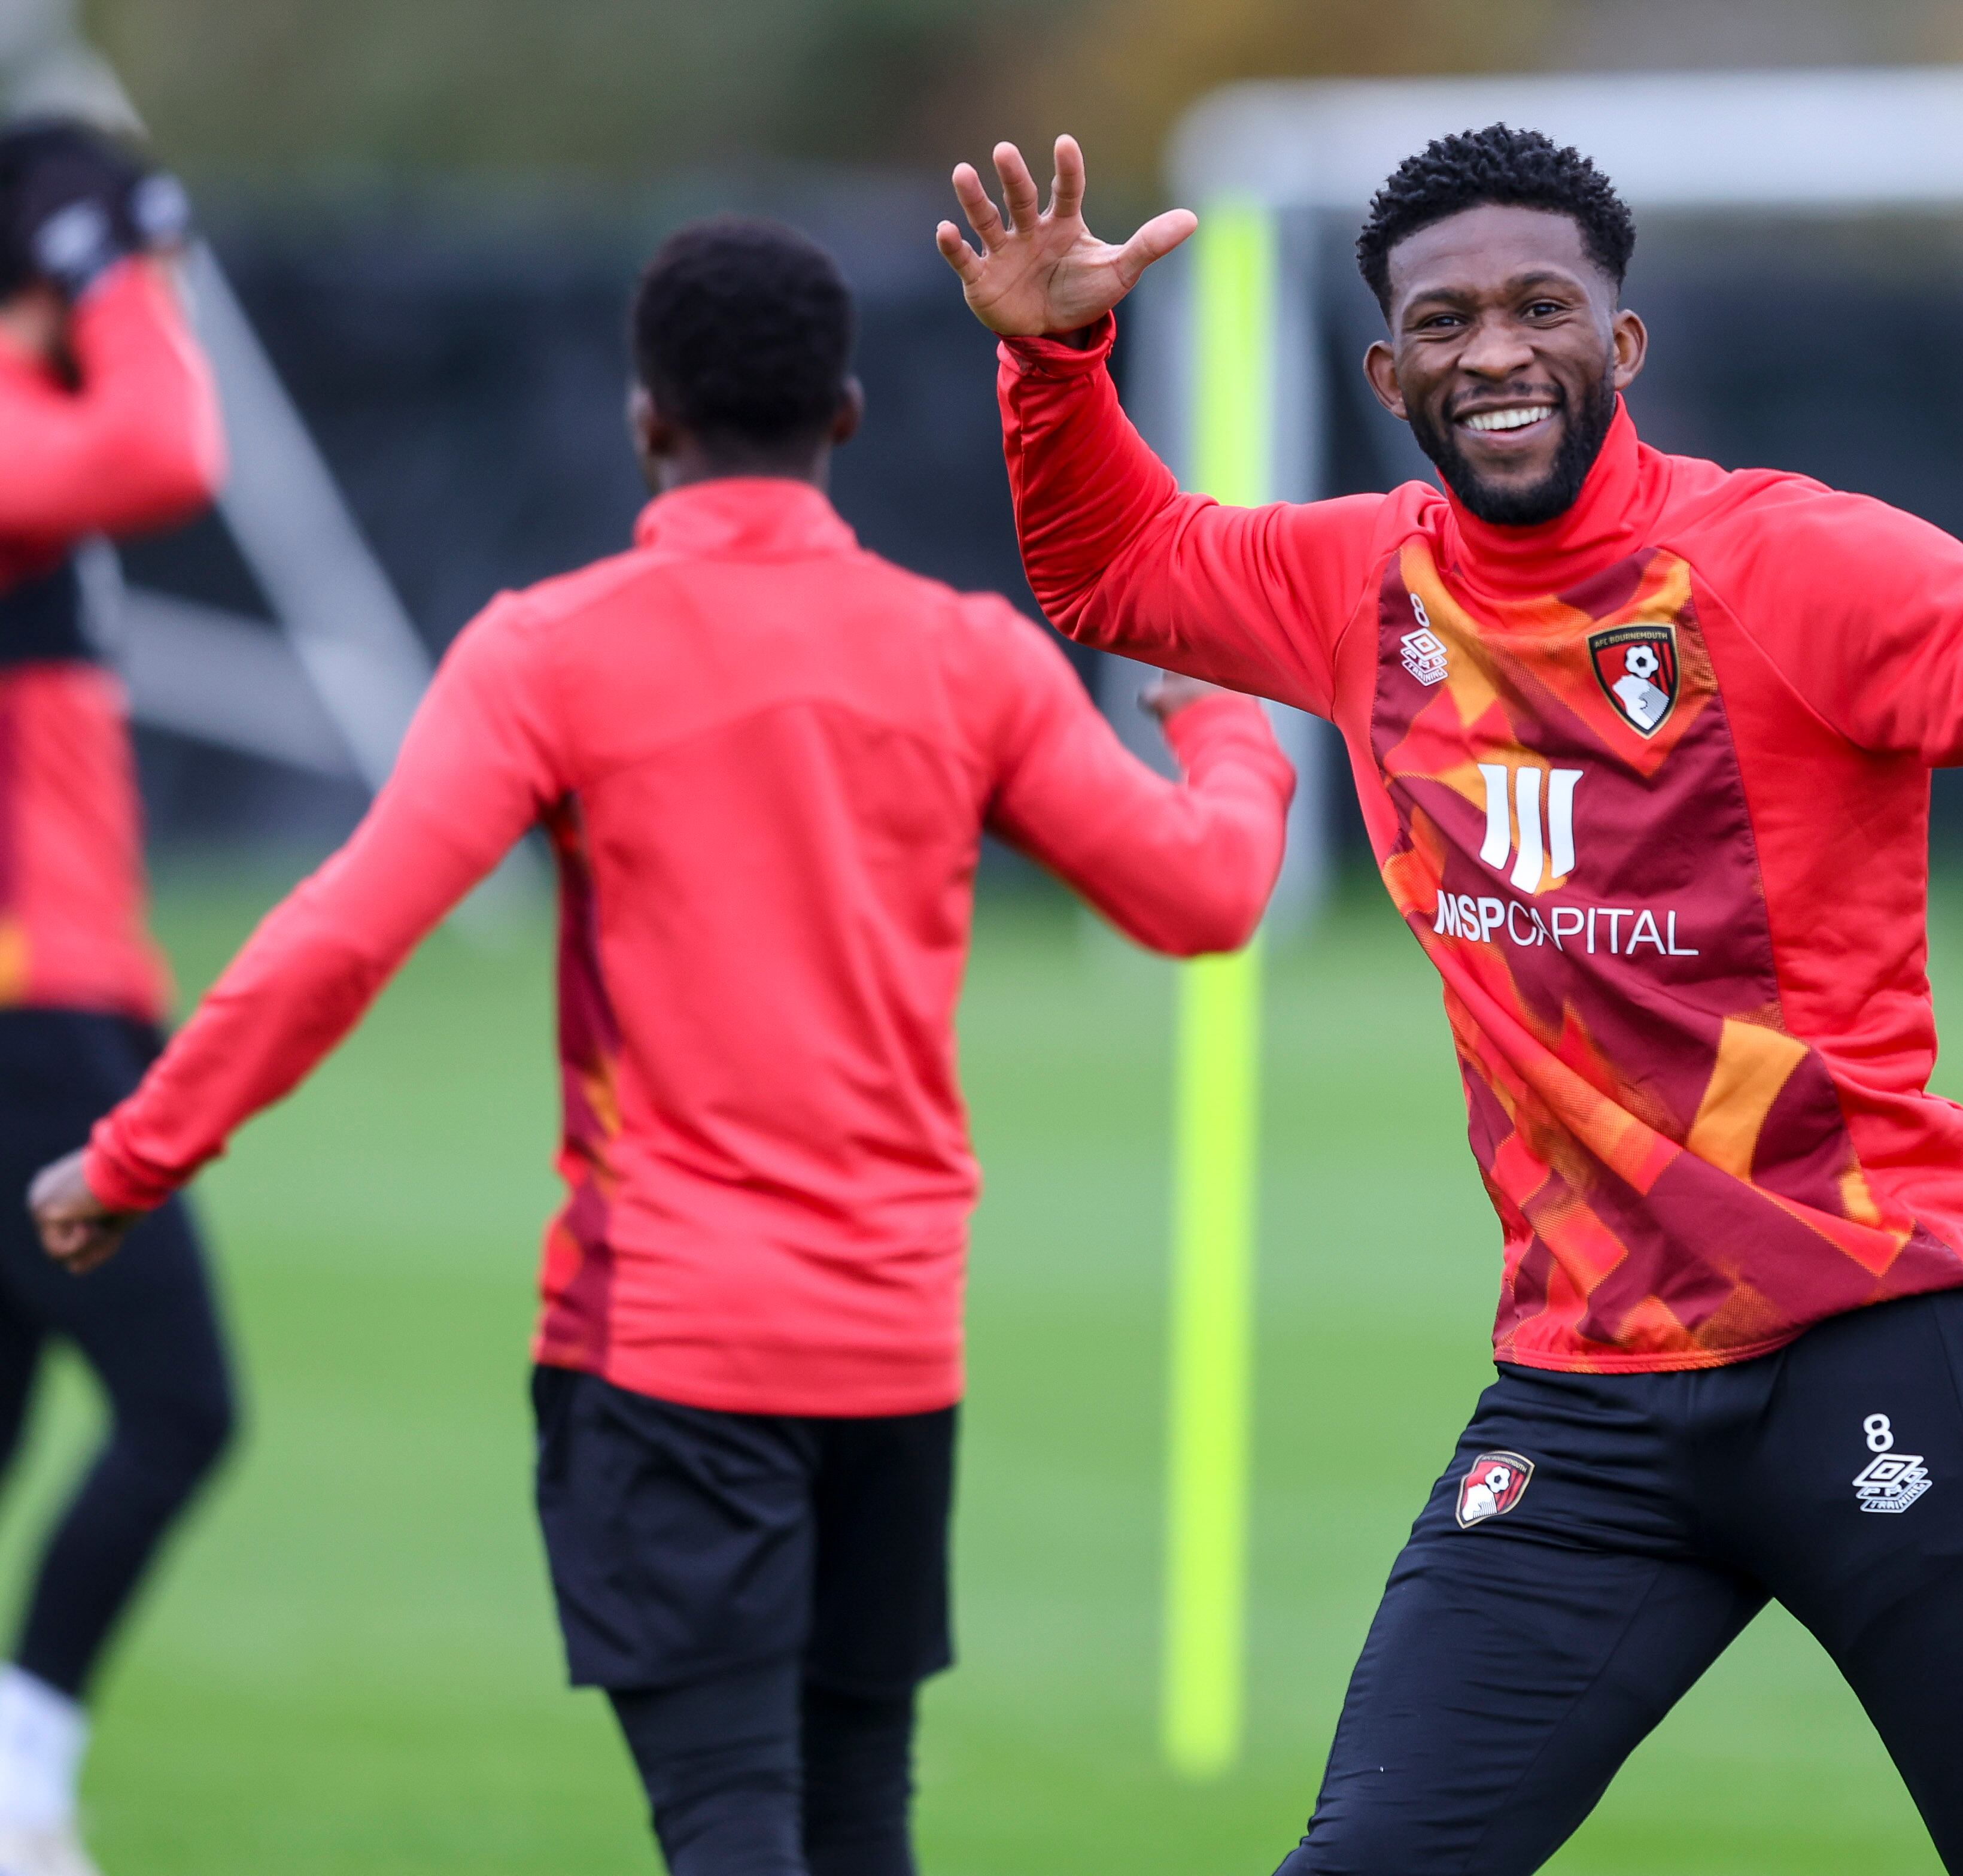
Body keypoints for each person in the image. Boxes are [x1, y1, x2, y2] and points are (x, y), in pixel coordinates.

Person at [937, 126, 1963, 1875]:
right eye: (1449, 319)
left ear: (1621, 347)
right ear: (1386, 367)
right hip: (1583, 1398)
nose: (1497, 350)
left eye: (1542, 306)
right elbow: (1117, 573)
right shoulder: (1359, 587)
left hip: (1873, 1349)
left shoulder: (1793, 568)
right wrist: (1053, 357)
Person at [29, 215, 1296, 1876]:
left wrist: (138, 1155)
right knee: (856, 1827)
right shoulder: (968, 652)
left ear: (646, 419)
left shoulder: (548, 652)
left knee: (729, 1829)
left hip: (669, 1349)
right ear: (845, 413)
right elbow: (1204, 898)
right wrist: (1230, 733)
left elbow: (346, 935)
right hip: (894, 1354)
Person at [0, 116, 227, 1876]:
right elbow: (170, 443)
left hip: (72, 1002)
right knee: (180, 1403)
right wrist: (104, 267)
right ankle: (20, 1780)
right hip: (30, 1017)